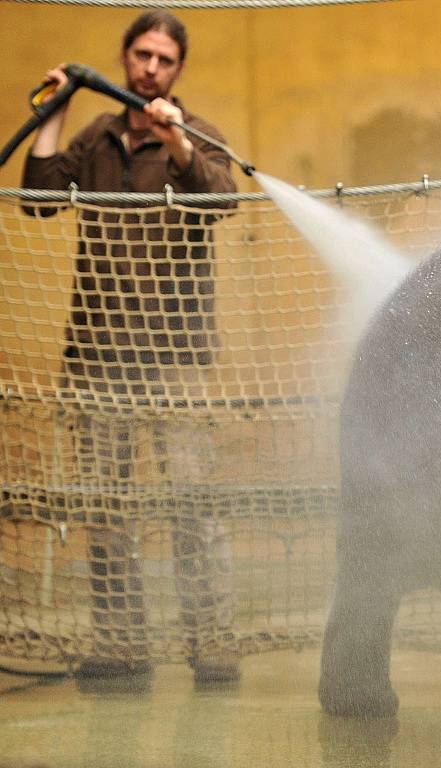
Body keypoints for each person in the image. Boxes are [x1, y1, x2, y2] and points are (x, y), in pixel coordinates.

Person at [22, 10, 241, 685]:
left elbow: (220, 199)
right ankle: (120, 646)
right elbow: (37, 198)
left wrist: (176, 140)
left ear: (179, 69)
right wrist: (55, 109)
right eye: (141, 54)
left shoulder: (198, 135)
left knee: (191, 507)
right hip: (97, 356)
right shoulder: (100, 137)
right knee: (107, 511)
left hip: (176, 359)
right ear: (124, 57)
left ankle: (213, 646)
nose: (150, 68)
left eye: (164, 59)